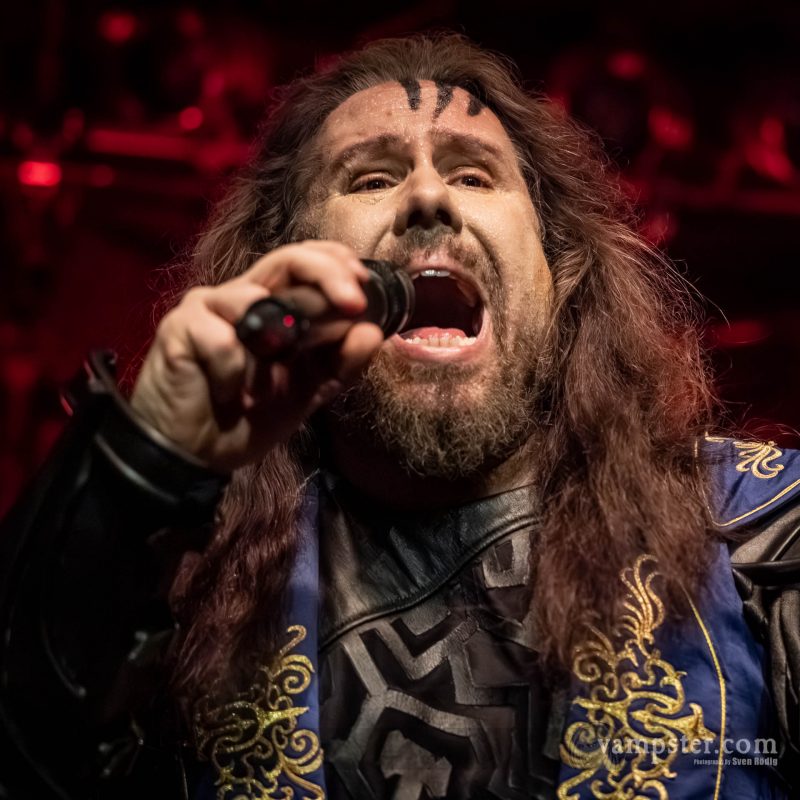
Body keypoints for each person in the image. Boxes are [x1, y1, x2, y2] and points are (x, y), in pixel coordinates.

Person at [0, 32, 798, 800]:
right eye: (370, 179)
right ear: (285, 266)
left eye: (474, 175)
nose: (427, 197)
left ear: (561, 274)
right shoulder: (184, 567)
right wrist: (140, 470)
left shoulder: (760, 530)